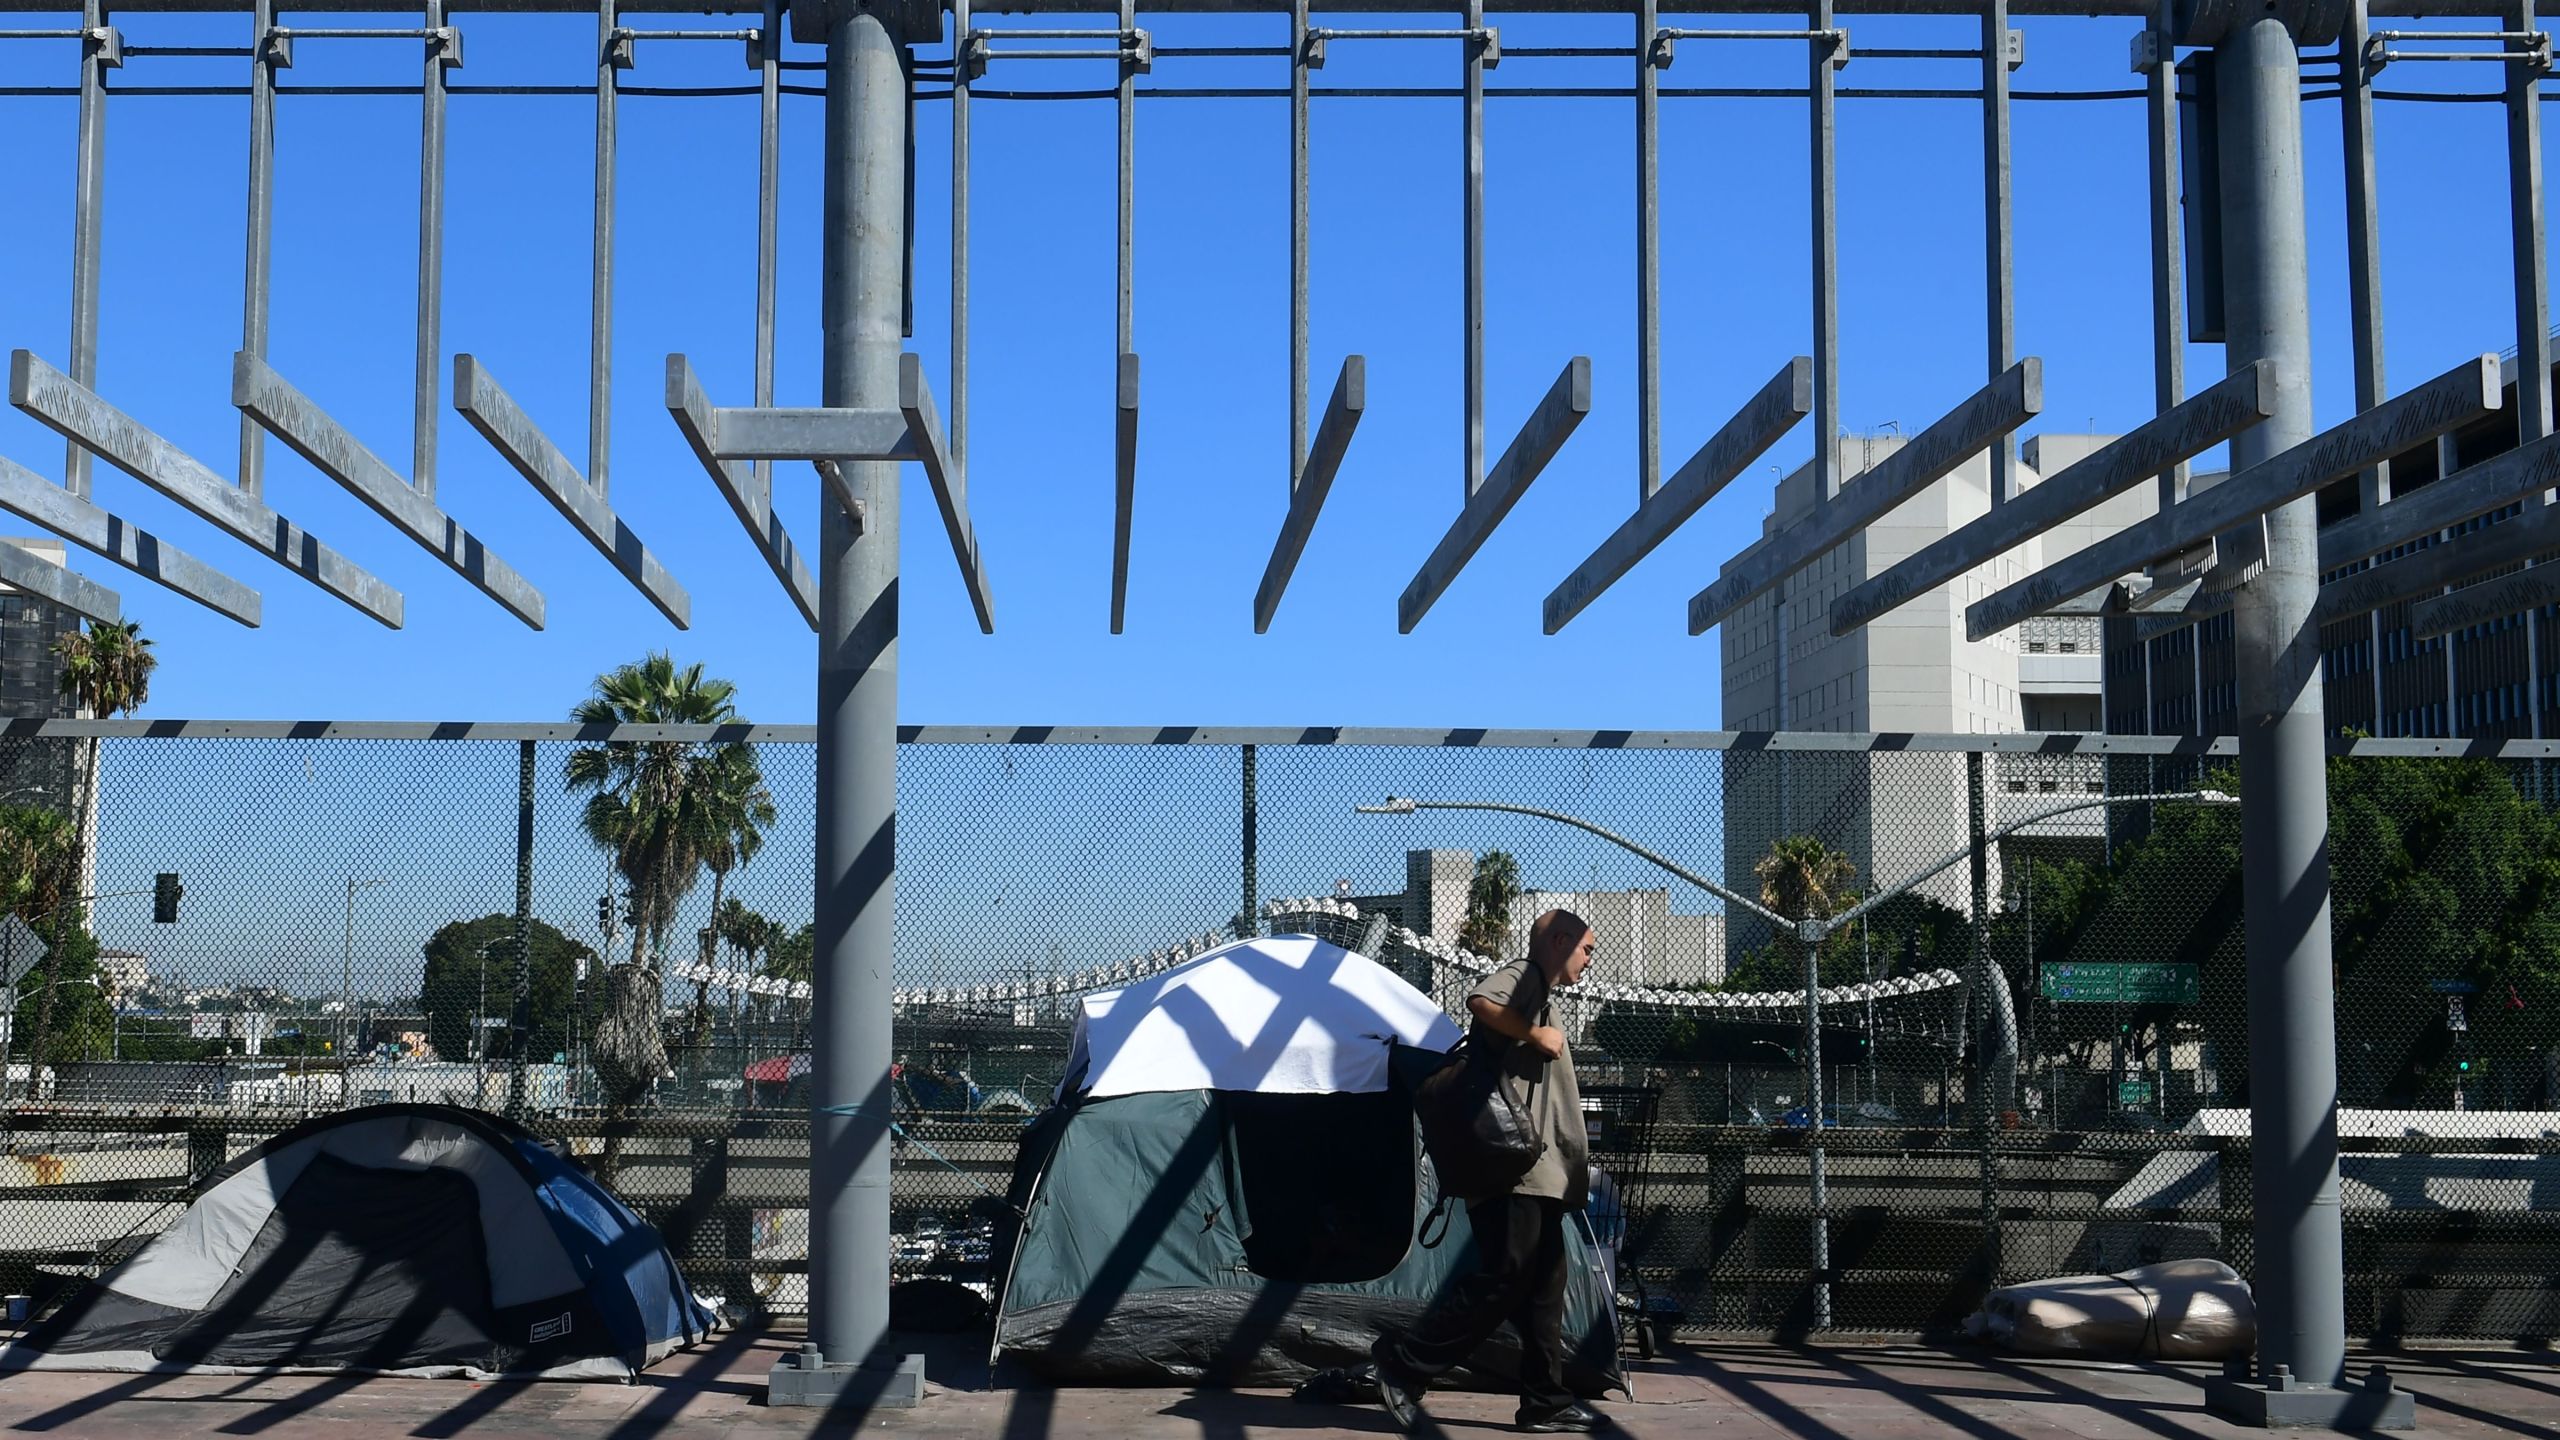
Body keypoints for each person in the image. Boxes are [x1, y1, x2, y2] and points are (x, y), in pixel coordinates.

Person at [1373, 908, 1606, 1434]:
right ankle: (1404, 1367)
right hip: (1516, 1172)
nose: (1589, 961)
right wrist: (1534, 1035)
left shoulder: (1543, 994)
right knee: (1503, 1276)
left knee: (1543, 1288)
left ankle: (1546, 1400)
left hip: (1538, 1173)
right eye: (1587, 949)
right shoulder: (1527, 975)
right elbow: (1482, 1002)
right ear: (1560, 940)